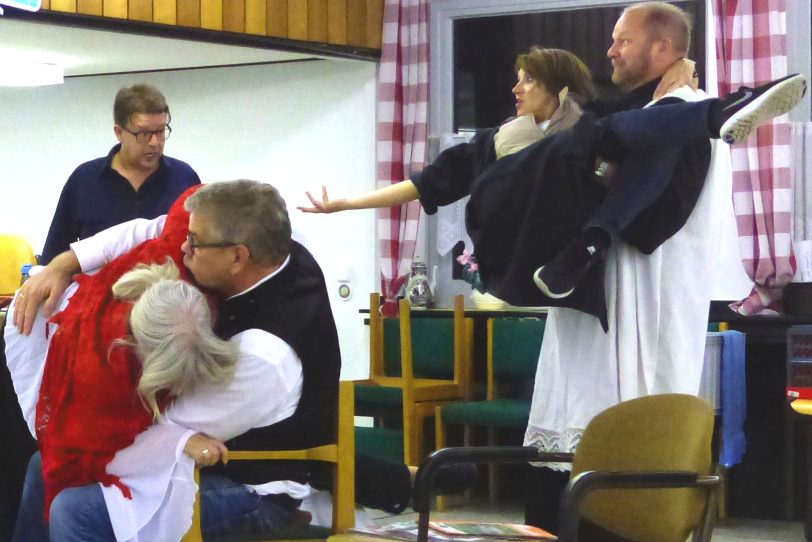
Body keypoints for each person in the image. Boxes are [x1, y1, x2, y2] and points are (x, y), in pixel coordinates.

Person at [298, 45, 805, 328]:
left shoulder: (594, 123)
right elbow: (426, 184)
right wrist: (346, 204)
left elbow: (646, 125)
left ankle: (593, 240)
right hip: (507, 228)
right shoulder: (496, 139)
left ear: (559, 87)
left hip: (561, 229)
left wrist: (677, 81)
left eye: (528, 80)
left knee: (642, 133)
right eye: (516, 79)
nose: (516, 89)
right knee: (615, 132)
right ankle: (720, 112)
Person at [8, 180, 342, 541]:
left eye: (195, 243)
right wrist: (64, 263)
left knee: (77, 510)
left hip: (254, 489)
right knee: (44, 464)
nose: (183, 246)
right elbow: (150, 229)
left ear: (237, 257)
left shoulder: (264, 354)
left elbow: (166, 421)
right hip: (217, 445)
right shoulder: (278, 246)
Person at [39, 83, 200, 264]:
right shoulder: (84, 180)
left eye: (161, 131)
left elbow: (201, 251)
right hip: (97, 290)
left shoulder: (185, 179)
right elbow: (53, 255)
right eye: (144, 133)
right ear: (119, 132)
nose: (155, 142)